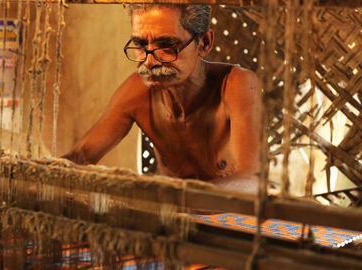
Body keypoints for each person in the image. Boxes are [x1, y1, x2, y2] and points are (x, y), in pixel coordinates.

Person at [62, 4, 261, 194]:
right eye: (140, 45)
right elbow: (81, 157)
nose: (149, 61)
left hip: (228, 219)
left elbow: (251, 180)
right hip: (170, 218)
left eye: (167, 46)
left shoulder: (237, 85)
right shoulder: (136, 91)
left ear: (204, 43)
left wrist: (178, 199)